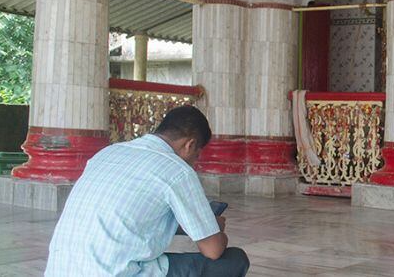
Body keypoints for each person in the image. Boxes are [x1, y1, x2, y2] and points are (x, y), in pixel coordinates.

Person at [45, 106, 250, 277]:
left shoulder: (108, 152)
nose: (194, 162)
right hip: (117, 273)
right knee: (234, 261)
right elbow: (212, 250)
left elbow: (132, 221)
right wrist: (214, 229)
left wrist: (194, 226)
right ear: (190, 144)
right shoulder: (177, 170)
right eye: (196, 155)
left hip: (60, 269)